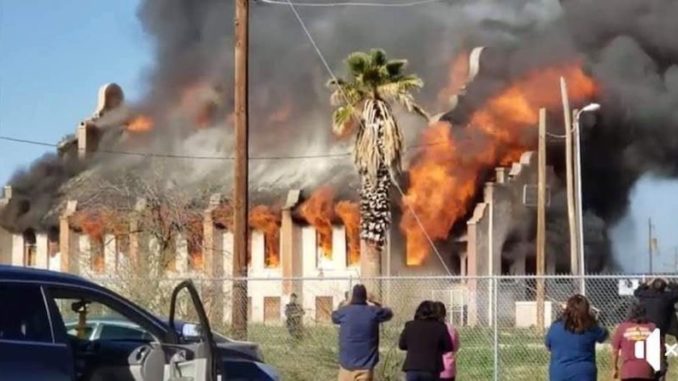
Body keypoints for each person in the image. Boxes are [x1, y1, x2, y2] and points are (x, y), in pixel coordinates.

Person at [332, 284, 393, 381]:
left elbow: (334, 316)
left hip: (346, 365)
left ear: (352, 297)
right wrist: (374, 304)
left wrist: (347, 303)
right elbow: (389, 313)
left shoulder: (344, 312)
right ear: (365, 297)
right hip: (366, 367)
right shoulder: (373, 312)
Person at [545, 294, 608, 381]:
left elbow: (548, 345)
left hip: (559, 373)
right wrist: (592, 317)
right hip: (584, 373)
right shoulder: (591, 327)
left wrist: (563, 314)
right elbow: (603, 335)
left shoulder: (555, 327)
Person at [399, 301, 454, 381]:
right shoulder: (440, 327)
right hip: (431, 368)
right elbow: (449, 347)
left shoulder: (410, 325)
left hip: (412, 367)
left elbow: (402, 345)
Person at [634, 278, 678, 379]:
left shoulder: (643, 296)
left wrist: (646, 283)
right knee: (660, 364)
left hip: (644, 335)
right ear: (664, 288)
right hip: (658, 336)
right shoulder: (667, 298)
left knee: (646, 363)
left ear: (651, 287)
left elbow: (636, 292)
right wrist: (669, 283)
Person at [611, 303, 658, 381]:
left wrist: (614, 367)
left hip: (628, 371)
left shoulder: (622, 328)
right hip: (647, 371)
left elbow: (615, 350)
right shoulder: (652, 327)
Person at [432, 301, 460, 381]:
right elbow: (456, 347)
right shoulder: (451, 328)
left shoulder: (432, 328)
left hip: (434, 368)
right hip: (449, 368)